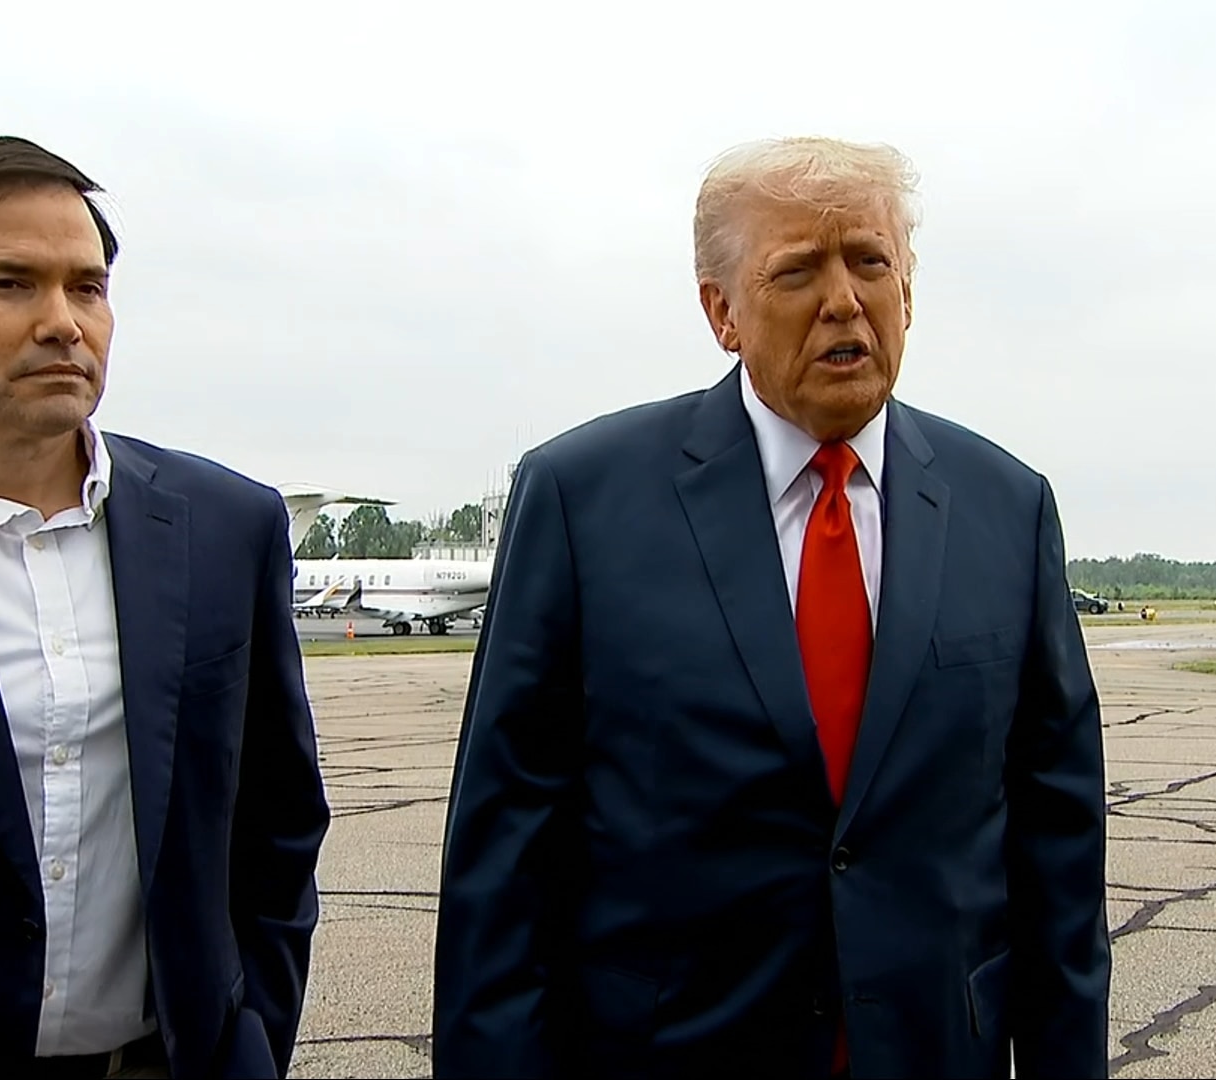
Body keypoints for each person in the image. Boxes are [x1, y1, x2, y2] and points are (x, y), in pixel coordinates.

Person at [433, 136, 1111, 1079]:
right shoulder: (581, 501)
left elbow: (1059, 857)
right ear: (722, 311)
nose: (845, 299)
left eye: (871, 261)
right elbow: (503, 867)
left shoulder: (1007, 504)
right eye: (798, 271)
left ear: (908, 290)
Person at [0, 136, 330, 1078]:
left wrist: (251, 1032)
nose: (64, 322)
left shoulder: (225, 528)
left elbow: (276, 825)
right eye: (10, 284)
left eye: (88, 287)